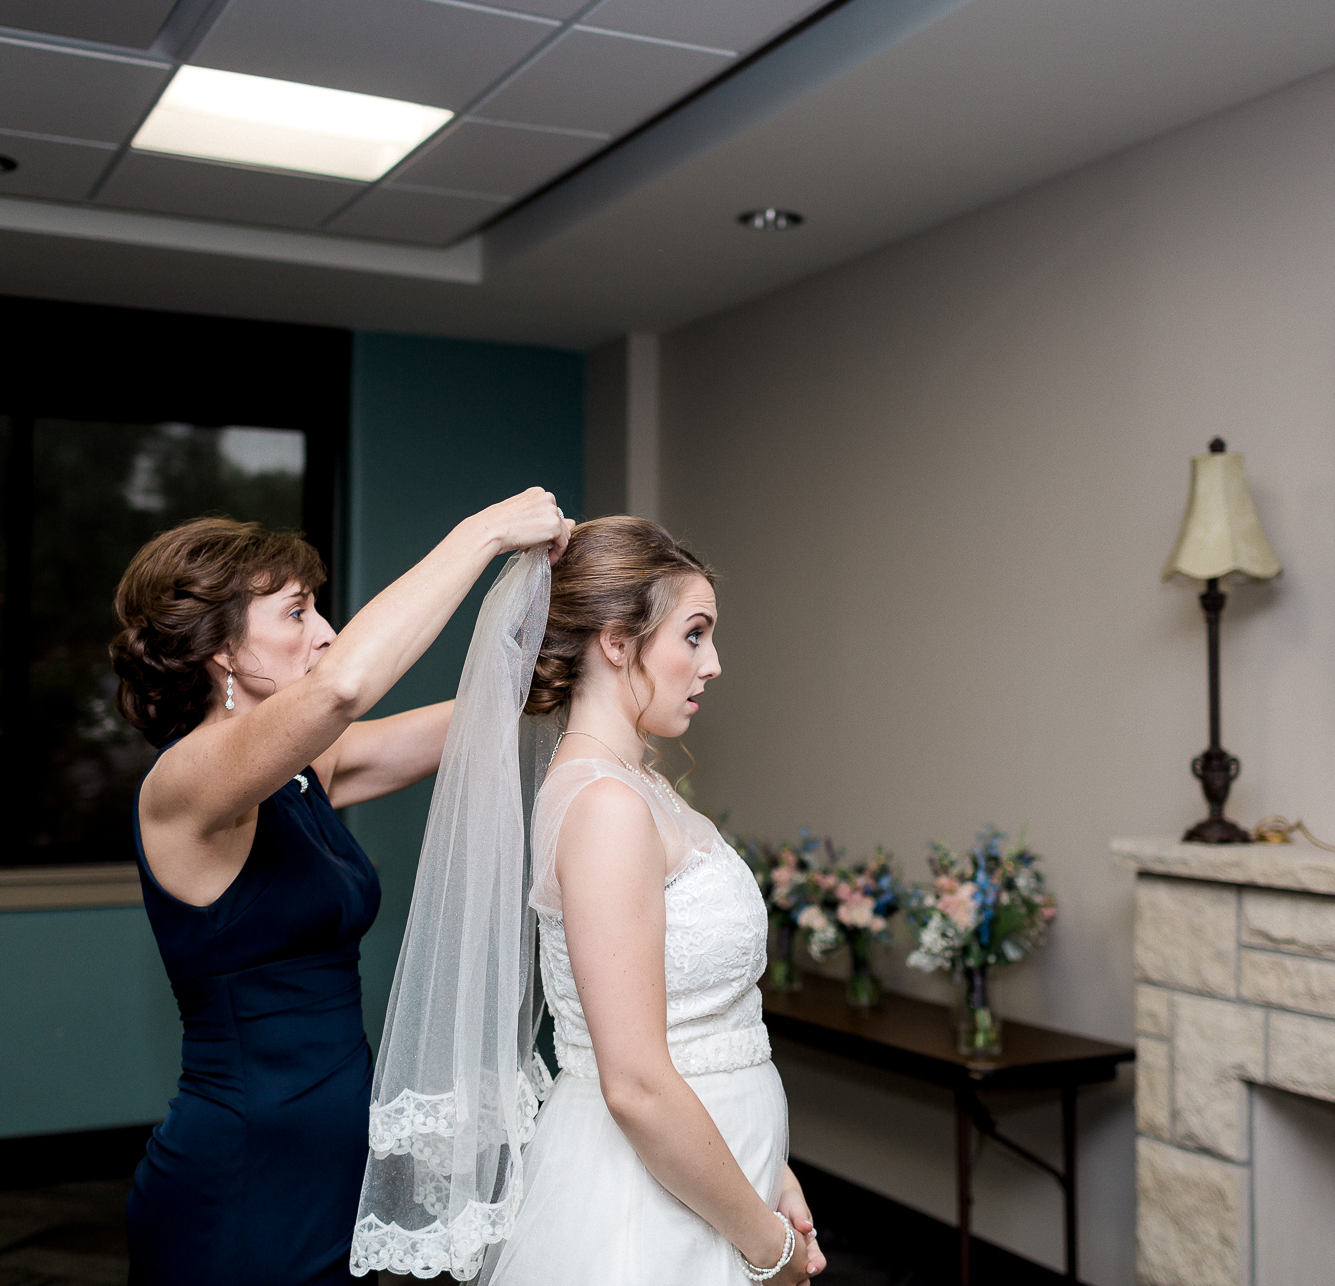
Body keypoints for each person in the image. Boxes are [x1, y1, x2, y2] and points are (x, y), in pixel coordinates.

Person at [109, 487, 571, 1286]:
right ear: (222, 649)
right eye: (296, 613)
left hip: (337, 1162)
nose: (324, 633)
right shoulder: (186, 784)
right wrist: (483, 529)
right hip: (241, 1176)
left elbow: (485, 715)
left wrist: (583, 647)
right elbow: (343, 689)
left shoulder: (305, 771)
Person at [350, 517, 824, 1285]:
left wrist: (768, 1172)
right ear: (615, 641)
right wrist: (769, 1250)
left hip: (714, 1181)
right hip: (642, 1209)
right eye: (694, 636)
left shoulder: (637, 785)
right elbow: (635, 1083)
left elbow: (707, 1033)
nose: (713, 664)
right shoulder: (606, 806)